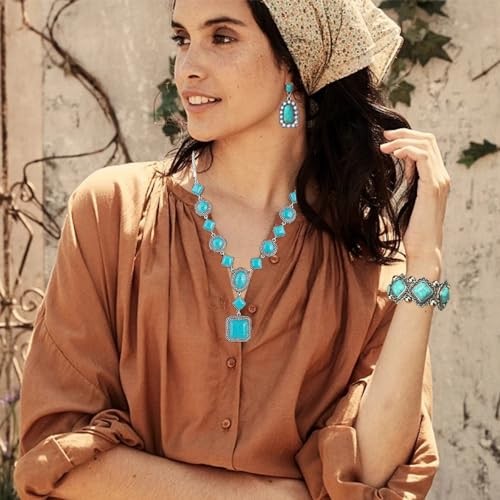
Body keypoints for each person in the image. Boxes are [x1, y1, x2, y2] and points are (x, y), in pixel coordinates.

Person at [14, 0, 451, 498]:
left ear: (295, 59)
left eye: (221, 38)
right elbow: (55, 453)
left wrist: (425, 264)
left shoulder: (363, 249)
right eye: (182, 39)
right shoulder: (112, 211)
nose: (187, 68)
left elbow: (372, 475)